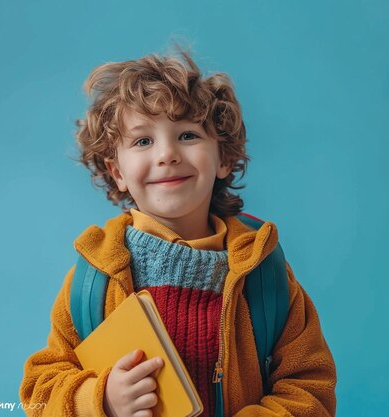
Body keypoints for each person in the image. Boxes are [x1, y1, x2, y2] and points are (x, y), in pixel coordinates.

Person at [19, 48, 336, 417]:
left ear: (225, 158)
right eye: (142, 141)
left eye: (187, 135)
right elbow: (39, 393)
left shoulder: (263, 272)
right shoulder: (95, 277)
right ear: (117, 171)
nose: (167, 154)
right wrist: (100, 400)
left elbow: (310, 386)